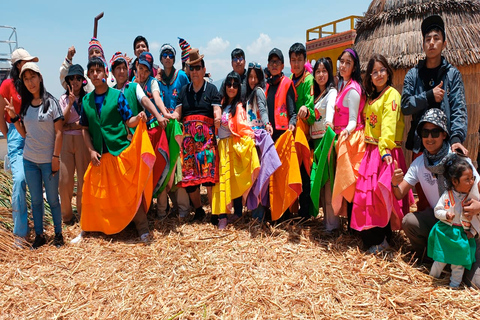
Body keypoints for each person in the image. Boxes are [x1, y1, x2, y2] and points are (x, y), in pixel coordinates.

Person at [392, 108, 480, 287]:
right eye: (425, 132)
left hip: (468, 229)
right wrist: (394, 182)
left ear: (444, 135)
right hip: (442, 222)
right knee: (410, 221)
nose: (429, 138)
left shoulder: (460, 161)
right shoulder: (419, 163)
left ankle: (458, 259)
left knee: (475, 284)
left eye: (435, 132)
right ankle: (433, 257)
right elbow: (400, 193)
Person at [76, 57, 154, 242]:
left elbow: (128, 121)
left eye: (98, 71)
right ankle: (87, 228)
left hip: (118, 152)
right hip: (99, 156)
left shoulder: (117, 96)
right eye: (92, 72)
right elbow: (84, 130)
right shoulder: (86, 101)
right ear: (88, 75)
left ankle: (142, 228)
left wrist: (139, 117)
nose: (95, 74)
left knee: (128, 193)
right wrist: (90, 150)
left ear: (104, 73)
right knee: (92, 193)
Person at [401, 14, 468, 211]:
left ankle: (450, 239)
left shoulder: (452, 74)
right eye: (427, 39)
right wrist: (429, 96)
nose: (431, 43)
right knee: (424, 198)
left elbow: (459, 108)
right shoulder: (413, 74)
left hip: (446, 145)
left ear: (444, 43)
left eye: (436, 38)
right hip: (421, 145)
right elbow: (406, 105)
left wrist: (456, 138)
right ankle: (426, 239)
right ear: (423, 44)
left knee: (452, 196)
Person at [351, 54, 413, 253]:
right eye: (374, 72)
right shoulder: (371, 97)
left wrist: (385, 149)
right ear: (369, 76)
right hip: (370, 152)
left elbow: (388, 124)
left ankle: (381, 240)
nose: (378, 75)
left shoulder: (391, 95)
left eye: (382, 70)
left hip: (383, 153)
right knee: (368, 196)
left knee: (380, 196)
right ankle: (378, 237)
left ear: (388, 71)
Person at [4, 62, 64, 249]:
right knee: (36, 201)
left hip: (48, 161)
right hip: (30, 160)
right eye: (26, 79)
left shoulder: (51, 102)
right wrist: (14, 117)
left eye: (33, 77)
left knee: (53, 200)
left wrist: (55, 158)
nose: (30, 83)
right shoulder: (26, 106)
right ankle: (39, 235)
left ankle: (58, 234)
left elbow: (59, 133)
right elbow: (24, 134)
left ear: (40, 78)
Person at [175, 48, 221, 221]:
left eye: (197, 68)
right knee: (190, 180)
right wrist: (168, 116)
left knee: (209, 179)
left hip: (206, 141)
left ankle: (214, 213)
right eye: (191, 68)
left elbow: (217, 109)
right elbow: (177, 113)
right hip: (188, 143)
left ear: (203, 69)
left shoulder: (212, 89)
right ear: (188, 70)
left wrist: (217, 117)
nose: (194, 71)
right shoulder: (184, 91)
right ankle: (198, 210)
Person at [212, 71, 260, 229]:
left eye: (235, 85)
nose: (231, 87)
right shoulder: (221, 103)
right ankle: (222, 216)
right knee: (223, 182)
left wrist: (250, 139)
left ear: (239, 88)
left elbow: (244, 127)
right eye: (229, 84)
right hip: (222, 148)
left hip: (232, 147)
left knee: (235, 180)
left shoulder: (238, 107)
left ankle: (237, 213)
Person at [0, 48, 38, 241]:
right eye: (26, 62)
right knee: (19, 180)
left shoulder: (30, 84)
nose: (29, 65)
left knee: (36, 179)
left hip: (33, 132)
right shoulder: (7, 85)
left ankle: (38, 225)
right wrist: (10, 137)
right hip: (16, 133)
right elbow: (1, 116)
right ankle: (20, 233)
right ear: (17, 65)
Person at [428, 153, 478, 287]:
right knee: (440, 260)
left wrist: (472, 233)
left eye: (472, 178)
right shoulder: (447, 195)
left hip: (461, 235)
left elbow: (474, 220)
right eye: (467, 179)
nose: (471, 182)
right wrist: (445, 215)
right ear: (455, 181)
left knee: (458, 263)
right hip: (446, 233)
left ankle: (454, 286)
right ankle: (432, 279)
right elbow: (437, 211)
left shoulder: (471, 198)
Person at [331, 48, 366, 223]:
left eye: (348, 63)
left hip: (351, 139)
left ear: (354, 67)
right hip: (343, 138)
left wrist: (345, 130)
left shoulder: (353, 89)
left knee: (351, 181)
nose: (343, 66)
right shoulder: (343, 84)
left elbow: (353, 119)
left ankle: (354, 225)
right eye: (341, 61)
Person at [156, 44, 190, 220]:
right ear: (160, 59)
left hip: (179, 128)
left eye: (170, 54)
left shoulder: (182, 76)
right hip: (162, 129)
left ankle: (183, 209)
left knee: (179, 168)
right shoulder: (157, 80)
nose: (167, 57)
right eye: (164, 54)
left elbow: (188, 97)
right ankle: (164, 210)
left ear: (174, 58)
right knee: (164, 166)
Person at [265, 48, 300, 221]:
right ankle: (272, 211)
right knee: (270, 175)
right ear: (268, 65)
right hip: (268, 136)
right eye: (271, 62)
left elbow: (292, 112)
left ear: (282, 65)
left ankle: (284, 214)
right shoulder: (265, 86)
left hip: (282, 135)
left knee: (282, 175)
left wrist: (292, 124)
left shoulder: (287, 83)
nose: (274, 64)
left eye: (277, 62)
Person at [58, 64, 89, 225]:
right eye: (72, 78)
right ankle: (67, 217)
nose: (75, 81)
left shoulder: (88, 98)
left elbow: (88, 123)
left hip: (83, 141)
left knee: (84, 179)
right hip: (66, 143)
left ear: (83, 81)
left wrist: (72, 126)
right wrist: (70, 104)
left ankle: (83, 215)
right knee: (65, 181)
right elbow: (60, 122)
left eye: (78, 78)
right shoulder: (62, 99)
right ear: (68, 81)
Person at [309, 57, 338, 232]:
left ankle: (332, 226)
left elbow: (331, 109)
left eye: (324, 71)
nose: (321, 75)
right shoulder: (313, 95)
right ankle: (326, 223)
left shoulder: (331, 92)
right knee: (319, 182)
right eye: (318, 71)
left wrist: (329, 122)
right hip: (316, 141)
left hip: (327, 141)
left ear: (329, 73)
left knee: (329, 184)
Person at [289, 42, 315, 219]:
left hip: (304, 135)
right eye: (293, 60)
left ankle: (305, 215)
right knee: (294, 172)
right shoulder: (290, 78)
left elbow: (310, 107)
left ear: (305, 60)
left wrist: (306, 110)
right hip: (292, 134)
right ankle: (294, 211)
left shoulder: (308, 80)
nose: (296, 63)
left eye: (299, 59)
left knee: (305, 175)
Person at [245, 62, 272, 134]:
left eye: (256, 77)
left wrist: (267, 124)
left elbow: (262, 109)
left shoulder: (258, 91)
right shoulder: (250, 93)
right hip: (253, 134)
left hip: (259, 134)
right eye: (250, 77)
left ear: (260, 78)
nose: (253, 80)